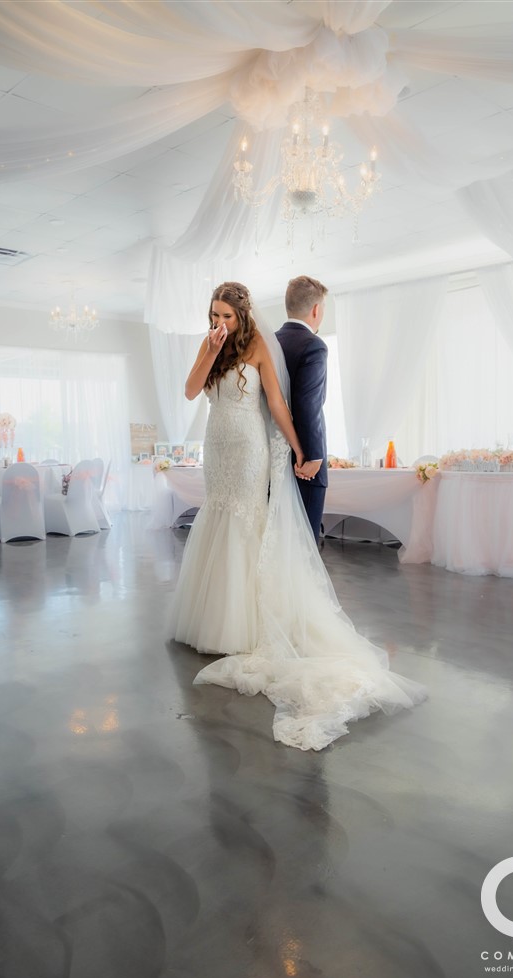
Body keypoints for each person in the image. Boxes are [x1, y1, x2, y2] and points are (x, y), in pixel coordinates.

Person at [169, 281, 426, 751]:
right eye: (214, 315)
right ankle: (212, 616)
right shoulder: (212, 347)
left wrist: (302, 450)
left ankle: (245, 622)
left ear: (242, 316)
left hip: (248, 450)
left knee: (245, 523)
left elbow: (281, 407)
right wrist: (208, 350)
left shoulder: (260, 347)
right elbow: (190, 392)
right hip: (217, 450)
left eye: (226, 316)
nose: (219, 323)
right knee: (218, 518)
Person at [275, 276, 329, 544]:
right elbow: (308, 405)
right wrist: (314, 456)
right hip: (303, 462)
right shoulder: (314, 346)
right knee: (304, 543)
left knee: (276, 541)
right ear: (316, 310)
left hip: (271, 455)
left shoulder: (268, 343)